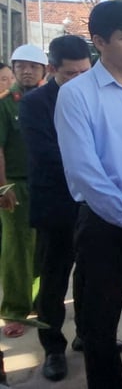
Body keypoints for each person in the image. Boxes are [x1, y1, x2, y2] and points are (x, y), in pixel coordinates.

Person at [55, 1, 122, 389]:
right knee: (99, 325)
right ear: (99, 41)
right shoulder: (77, 95)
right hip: (102, 221)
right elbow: (86, 174)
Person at [18, 36, 92, 381]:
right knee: (53, 282)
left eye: (84, 72)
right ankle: (52, 348)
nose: (79, 80)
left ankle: (85, 336)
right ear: (53, 70)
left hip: (91, 205)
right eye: (70, 74)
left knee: (91, 277)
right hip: (56, 206)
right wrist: (91, 167)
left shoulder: (95, 95)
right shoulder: (35, 104)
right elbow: (47, 155)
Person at [0, 44, 47, 338]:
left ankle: (41, 303)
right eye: (21, 66)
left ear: (44, 70)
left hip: (47, 185)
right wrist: (3, 186)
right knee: (17, 250)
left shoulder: (49, 100)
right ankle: (15, 310)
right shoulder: (5, 104)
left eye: (32, 66)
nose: (26, 71)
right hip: (17, 185)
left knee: (45, 248)